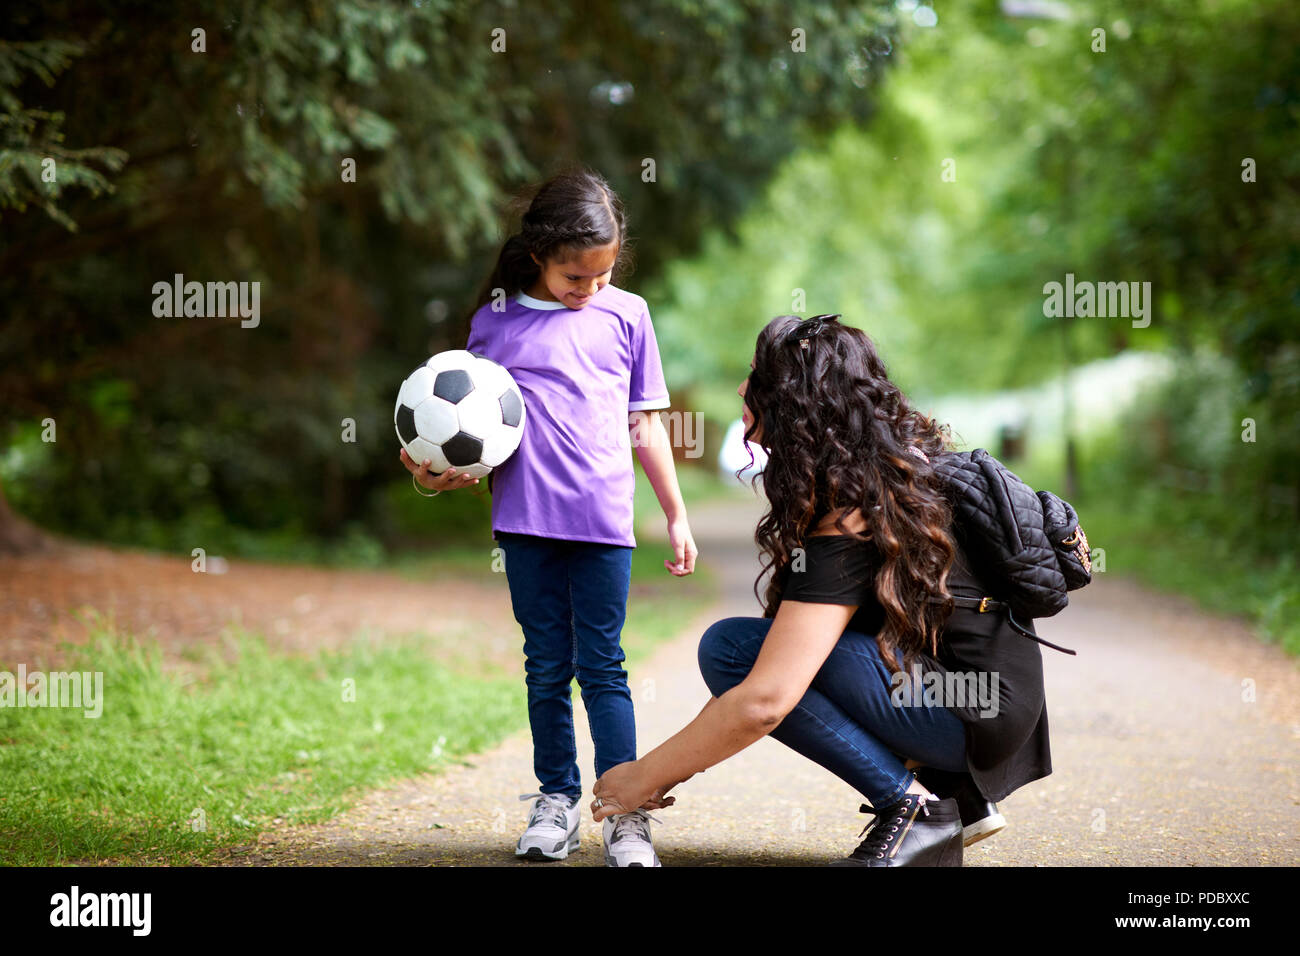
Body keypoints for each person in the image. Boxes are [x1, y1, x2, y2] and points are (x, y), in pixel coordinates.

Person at [590, 313, 1052, 866]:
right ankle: (958, 798)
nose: (742, 388)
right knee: (764, 649)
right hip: (991, 703)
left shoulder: (853, 516)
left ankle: (916, 812)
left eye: (757, 377)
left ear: (794, 402)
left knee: (736, 650)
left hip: (967, 713)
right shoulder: (892, 474)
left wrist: (643, 777)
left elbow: (765, 701)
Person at [399, 168, 698, 867]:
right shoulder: (494, 322)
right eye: (573, 274)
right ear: (539, 253)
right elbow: (466, 430)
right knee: (544, 667)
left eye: (600, 275)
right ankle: (557, 799)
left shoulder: (628, 315)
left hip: (603, 526)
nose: (587, 288)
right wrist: (434, 478)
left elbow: (645, 425)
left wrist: (676, 516)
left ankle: (624, 812)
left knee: (604, 665)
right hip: (526, 526)